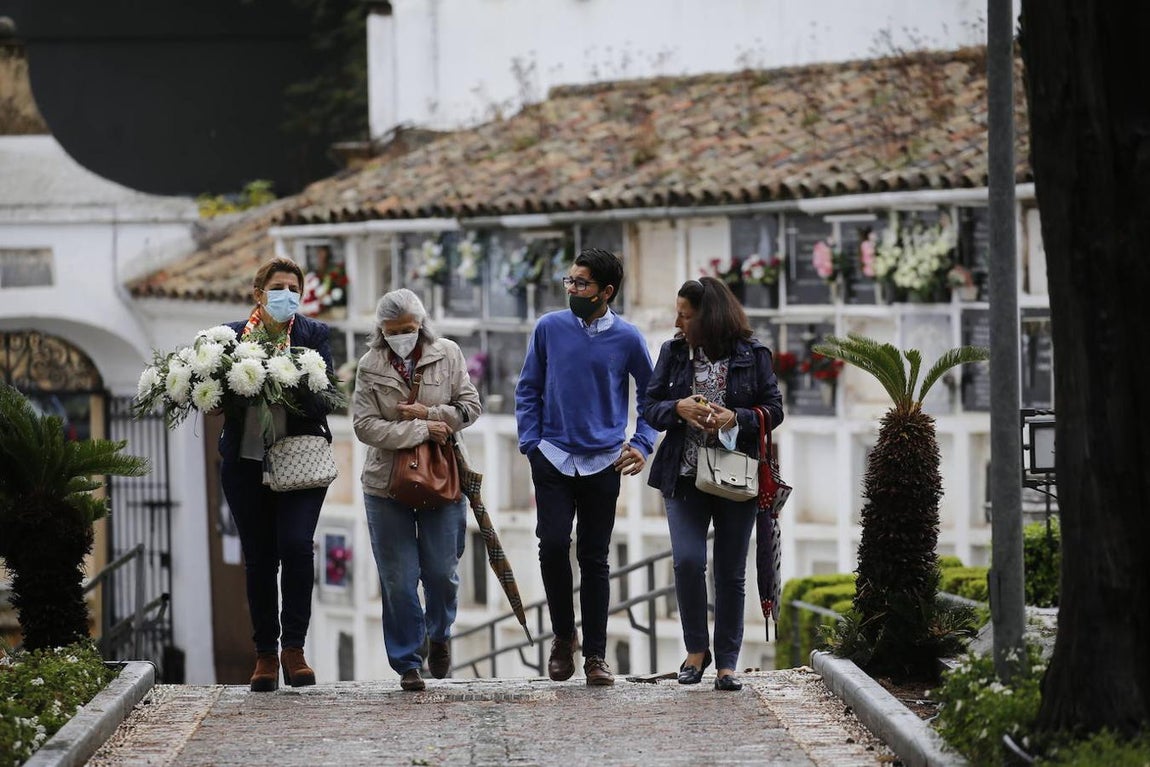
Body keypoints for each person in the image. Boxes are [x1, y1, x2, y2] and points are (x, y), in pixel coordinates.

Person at [515, 247, 658, 686]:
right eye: (570, 281)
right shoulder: (549, 328)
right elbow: (528, 387)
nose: (572, 289)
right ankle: (563, 637)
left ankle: (596, 656)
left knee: (595, 558)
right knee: (553, 543)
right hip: (553, 456)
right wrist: (531, 443)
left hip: (603, 462)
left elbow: (652, 398)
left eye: (582, 284)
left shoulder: (629, 338)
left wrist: (642, 443)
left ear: (606, 292)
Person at [642, 277, 784, 692]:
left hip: (736, 476)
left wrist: (736, 418)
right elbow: (650, 407)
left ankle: (726, 664)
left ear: (709, 317)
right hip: (684, 475)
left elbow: (774, 409)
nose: (677, 322)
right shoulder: (672, 353)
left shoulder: (753, 354)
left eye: (685, 315)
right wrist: (677, 407)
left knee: (730, 572)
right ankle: (695, 650)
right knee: (687, 561)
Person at [352, 288, 482, 691]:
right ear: (381, 331)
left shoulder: (448, 353)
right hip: (385, 484)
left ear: (421, 325)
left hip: (442, 478)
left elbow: (470, 407)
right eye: (394, 331)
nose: (402, 337)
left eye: (408, 329)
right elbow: (363, 425)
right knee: (398, 578)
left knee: (442, 571)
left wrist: (431, 413)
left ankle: (439, 633)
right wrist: (420, 429)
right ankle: (408, 662)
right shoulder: (369, 365)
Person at [218, 257, 336, 692]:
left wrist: (288, 382)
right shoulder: (229, 339)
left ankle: (295, 648)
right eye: (278, 287)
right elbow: (212, 398)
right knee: (260, 556)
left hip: (302, 459)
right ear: (258, 293)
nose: (286, 294)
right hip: (246, 462)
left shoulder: (314, 335)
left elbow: (327, 398)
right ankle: (265, 654)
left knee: (296, 544)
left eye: (293, 288)